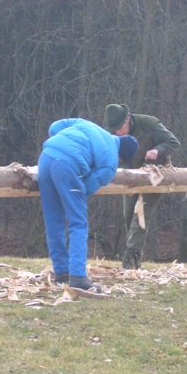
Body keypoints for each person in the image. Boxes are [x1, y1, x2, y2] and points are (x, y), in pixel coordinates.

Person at [38, 118, 139, 292]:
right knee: (78, 223)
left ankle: (61, 274)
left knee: (54, 220)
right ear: (122, 157)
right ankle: (77, 277)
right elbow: (86, 188)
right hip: (67, 166)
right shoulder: (111, 162)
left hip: (46, 157)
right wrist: (71, 193)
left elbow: (55, 126)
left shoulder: (88, 125)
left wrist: (61, 145)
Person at [103, 104, 180, 270]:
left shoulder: (149, 124)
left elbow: (173, 142)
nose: (117, 133)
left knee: (141, 213)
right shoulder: (112, 134)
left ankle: (131, 256)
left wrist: (158, 150)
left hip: (155, 174)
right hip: (131, 175)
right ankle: (135, 257)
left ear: (128, 119)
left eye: (119, 128)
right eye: (114, 130)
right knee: (128, 214)